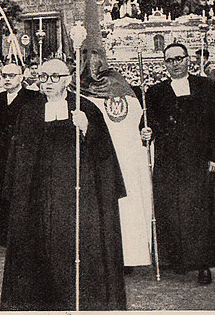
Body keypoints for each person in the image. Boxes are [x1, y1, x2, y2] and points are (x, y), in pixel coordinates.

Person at [0, 58, 127, 310]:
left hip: (77, 197)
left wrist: (87, 128)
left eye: (53, 77)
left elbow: (104, 155)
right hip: (38, 199)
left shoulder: (86, 109)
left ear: (68, 79)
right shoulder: (29, 110)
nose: (46, 83)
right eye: (42, 77)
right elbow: (19, 156)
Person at [140, 42, 215, 285]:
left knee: (200, 213)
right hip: (168, 161)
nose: (175, 64)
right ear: (164, 63)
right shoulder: (155, 92)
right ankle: (175, 259)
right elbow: (147, 121)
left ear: (188, 60)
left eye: (179, 58)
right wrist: (146, 132)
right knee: (170, 209)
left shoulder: (206, 87)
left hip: (199, 161)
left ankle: (203, 264)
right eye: (169, 60)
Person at [75, 47, 153, 271]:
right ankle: (129, 256)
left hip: (103, 156)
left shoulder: (81, 94)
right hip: (128, 158)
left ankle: (111, 257)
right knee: (127, 205)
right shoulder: (126, 90)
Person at [0, 63, 38, 246]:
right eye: (4, 75)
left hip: (24, 153)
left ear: (21, 77)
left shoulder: (33, 98)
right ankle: (3, 235)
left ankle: (23, 236)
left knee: (22, 192)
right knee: (2, 191)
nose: (7, 79)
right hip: (2, 153)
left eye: (11, 75)